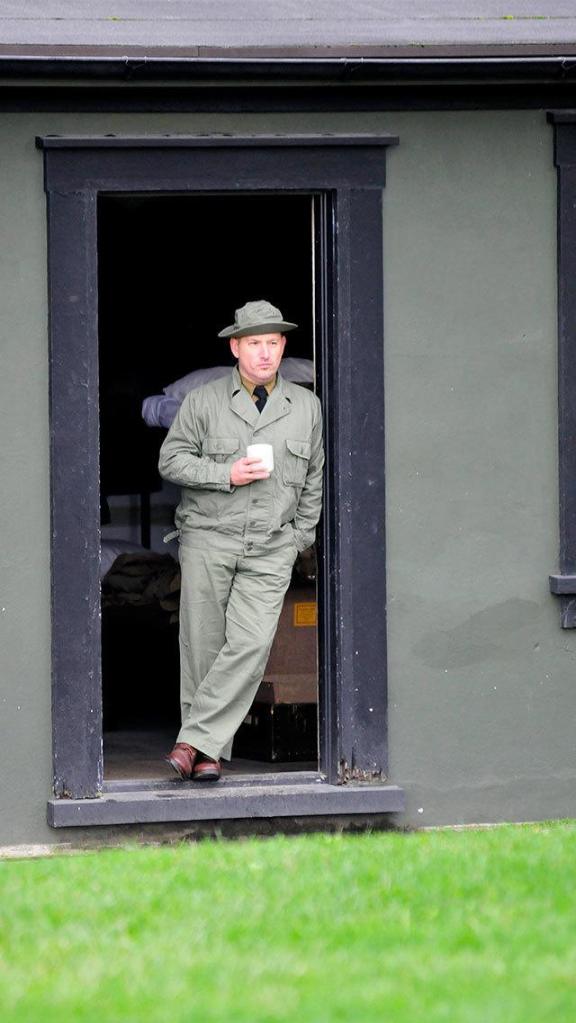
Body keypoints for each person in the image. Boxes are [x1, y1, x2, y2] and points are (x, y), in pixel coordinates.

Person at [158, 300, 324, 781]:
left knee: (250, 644)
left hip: (272, 546)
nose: (265, 352)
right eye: (254, 343)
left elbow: (314, 478)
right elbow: (171, 461)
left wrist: (298, 537)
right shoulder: (203, 401)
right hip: (209, 538)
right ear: (236, 347)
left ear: (283, 346)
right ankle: (208, 755)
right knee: (203, 647)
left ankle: (192, 741)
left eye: (273, 342)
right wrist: (224, 473)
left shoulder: (306, 407)